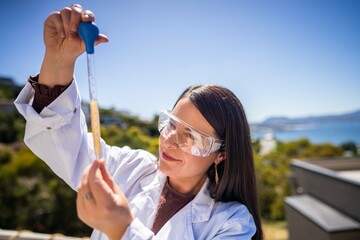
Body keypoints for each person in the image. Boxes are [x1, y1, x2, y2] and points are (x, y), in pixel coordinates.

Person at [15, 4, 263, 240]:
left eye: (192, 137)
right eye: (172, 125)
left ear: (221, 153)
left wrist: (122, 229)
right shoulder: (130, 169)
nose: (171, 141)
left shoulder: (232, 222)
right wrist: (59, 61)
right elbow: (63, 143)